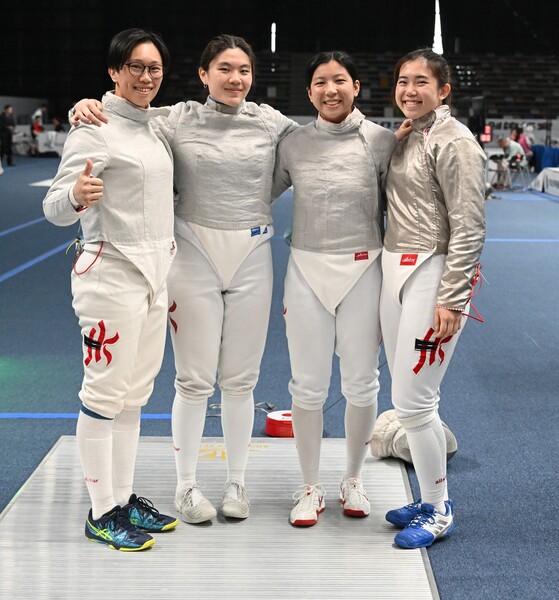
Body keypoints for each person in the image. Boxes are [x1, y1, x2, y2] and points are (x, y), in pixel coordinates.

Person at [71, 34, 299, 524]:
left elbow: (318, 144)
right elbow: (123, 116)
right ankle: (186, 486)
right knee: (193, 379)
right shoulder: (175, 118)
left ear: (253, 76)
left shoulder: (272, 122)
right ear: (203, 75)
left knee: (241, 380)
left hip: (253, 253)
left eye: (243, 70)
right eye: (224, 69)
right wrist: (87, 104)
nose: (235, 78)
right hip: (191, 253)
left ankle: (238, 481)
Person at [43, 28, 178, 551]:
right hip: (109, 274)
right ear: (114, 72)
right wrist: (76, 196)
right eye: (136, 67)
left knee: (133, 397)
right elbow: (53, 208)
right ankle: (101, 511)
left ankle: (121, 500)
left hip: (153, 277)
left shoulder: (157, 125)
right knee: (103, 397)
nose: (146, 77)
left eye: (155, 68)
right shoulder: (93, 127)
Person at [272, 51, 404, 527]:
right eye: (321, 83)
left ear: (356, 86)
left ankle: (353, 477)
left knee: (362, 383)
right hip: (305, 271)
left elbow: (408, 210)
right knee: (306, 386)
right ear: (309, 92)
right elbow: (249, 193)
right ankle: (310, 484)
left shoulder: (383, 141)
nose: (331, 90)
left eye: (340, 81)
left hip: (364, 270)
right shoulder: (292, 144)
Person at [380, 48, 486, 549]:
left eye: (421, 82)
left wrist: (453, 296)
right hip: (395, 269)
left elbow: (469, 225)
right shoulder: (407, 135)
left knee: (414, 401)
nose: (409, 91)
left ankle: (440, 508)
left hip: (435, 272)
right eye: (403, 81)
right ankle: (426, 498)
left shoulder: (455, 140)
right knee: (411, 399)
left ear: (444, 90)